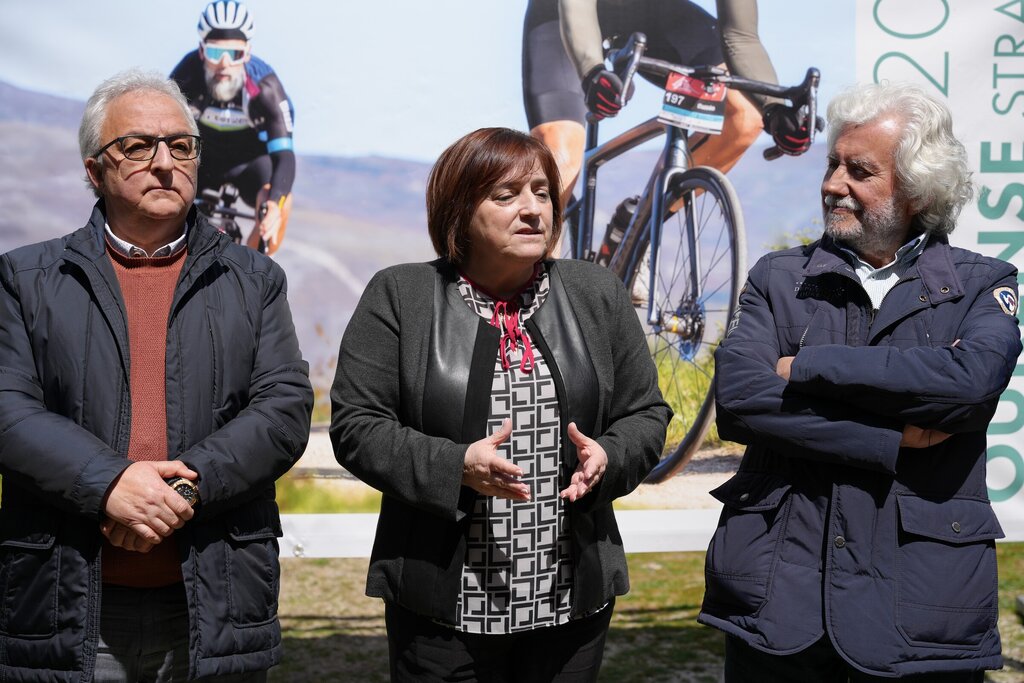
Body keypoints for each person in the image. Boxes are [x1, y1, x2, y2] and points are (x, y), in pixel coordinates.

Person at [699, 81, 1022, 681]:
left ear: (918, 189)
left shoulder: (983, 283)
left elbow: (969, 387)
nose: (832, 184)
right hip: (780, 605)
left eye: (859, 170)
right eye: (832, 164)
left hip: (922, 614)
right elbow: (741, 400)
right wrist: (892, 437)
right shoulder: (778, 276)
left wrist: (809, 366)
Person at [0, 69, 313, 681]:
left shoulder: (255, 281)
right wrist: (109, 484)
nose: (165, 163)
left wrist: (182, 493)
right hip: (67, 604)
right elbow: (9, 413)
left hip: (215, 606)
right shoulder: (27, 278)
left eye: (181, 146)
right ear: (95, 170)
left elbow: (283, 412)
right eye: (139, 146)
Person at [330, 127, 671, 681]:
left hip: (572, 605)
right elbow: (357, 426)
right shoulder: (402, 296)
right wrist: (455, 466)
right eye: (506, 195)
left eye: (542, 192)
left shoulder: (595, 292)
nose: (533, 209)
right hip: (444, 613)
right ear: (459, 211)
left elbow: (646, 413)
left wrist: (609, 457)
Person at [522, 0, 814, 240]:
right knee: (559, 154)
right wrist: (592, 72)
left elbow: (741, 37)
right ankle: (533, 282)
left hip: (660, 17)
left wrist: (774, 110)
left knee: (746, 117)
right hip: (560, 17)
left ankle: (635, 231)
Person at [171, 0, 295, 255]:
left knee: (280, 202)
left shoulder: (266, 89)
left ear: (247, 53)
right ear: (202, 50)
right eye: (216, 53)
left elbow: (284, 156)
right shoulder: (186, 76)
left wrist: (273, 204)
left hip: (249, 164)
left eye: (235, 54)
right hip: (201, 161)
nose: (224, 63)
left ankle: (253, 269)